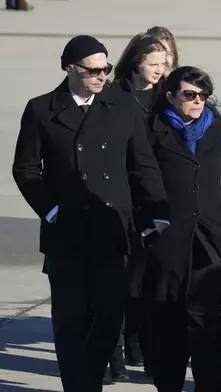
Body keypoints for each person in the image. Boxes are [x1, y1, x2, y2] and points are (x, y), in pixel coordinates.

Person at [12, 35, 170, 392]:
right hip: (65, 233)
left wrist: (157, 210)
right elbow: (25, 169)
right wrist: (51, 210)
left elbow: (142, 164)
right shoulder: (41, 109)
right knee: (70, 322)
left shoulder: (122, 106)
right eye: (93, 70)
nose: (102, 76)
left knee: (109, 317)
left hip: (112, 230)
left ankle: (89, 376)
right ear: (70, 68)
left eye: (106, 69)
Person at [145, 66, 221, 391]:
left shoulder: (215, 130)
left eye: (203, 95)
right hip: (168, 246)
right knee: (169, 329)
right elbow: (139, 183)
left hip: (210, 245)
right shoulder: (151, 132)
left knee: (207, 327)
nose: (198, 101)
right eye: (190, 94)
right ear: (171, 97)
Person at [109, 32, 169, 373]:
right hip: (122, 192)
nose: (159, 70)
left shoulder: (165, 96)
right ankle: (116, 350)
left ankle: (137, 340)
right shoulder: (115, 94)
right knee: (121, 275)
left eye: (163, 64)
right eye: (153, 64)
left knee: (146, 277)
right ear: (136, 62)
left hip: (154, 193)